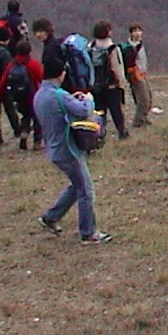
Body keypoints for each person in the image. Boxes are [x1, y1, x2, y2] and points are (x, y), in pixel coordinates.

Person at [34, 55, 111, 243]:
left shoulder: (39, 95)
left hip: (53, 148)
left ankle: (51, 217)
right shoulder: (58, 95)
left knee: (76, 185)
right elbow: (84, 110)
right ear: (61, 73)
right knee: (85, 190)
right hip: (68, 149)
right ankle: (88, 232)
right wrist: (89, 99)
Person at [0, 39, 43, 150]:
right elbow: (41, 79)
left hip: (19, 97)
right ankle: (37, 142)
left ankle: (24, 134)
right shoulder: (33, 63)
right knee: (37, 118)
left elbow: (3, 81)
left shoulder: (11, 65)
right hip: (33, 96)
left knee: (25, 116)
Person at [90, 21, 129, 140]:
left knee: (99, 112)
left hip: (95, 86)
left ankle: (100, 134)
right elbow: (117, 67)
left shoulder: (90, 47)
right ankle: (122, 132)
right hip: (111, 86)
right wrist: (121, 84)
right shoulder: (113, 48)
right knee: (116, 110)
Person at [125, 24, 153, 128]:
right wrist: (136, 76)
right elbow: (130, 65)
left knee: (148, 98)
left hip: (142, 74)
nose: (138, 33)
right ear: (131, 33)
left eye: (139, 31)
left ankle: (144, 118)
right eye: (135, 31)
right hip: (136, 77)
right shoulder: (130, 47)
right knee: (143, 100)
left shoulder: (139, 45)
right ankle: (138, 121)